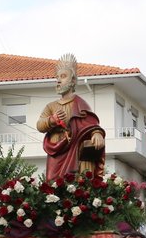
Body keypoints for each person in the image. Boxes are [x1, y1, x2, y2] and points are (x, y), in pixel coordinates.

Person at [35, 53, 105, 181]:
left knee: (76, 182)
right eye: (57, 77)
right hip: (56, 152)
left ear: (73, 80)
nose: (58, 80)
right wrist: (52, 120)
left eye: (63, 76)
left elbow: (91, 125)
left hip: (75, 151)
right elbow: (40, 125)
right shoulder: (51, 106)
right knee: (52, 183)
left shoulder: (80, 104)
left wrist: (97, 133)